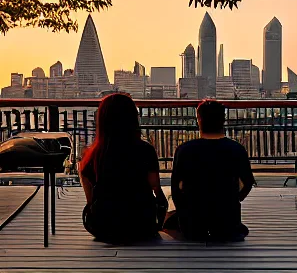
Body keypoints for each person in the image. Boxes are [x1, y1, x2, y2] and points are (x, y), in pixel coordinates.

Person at [79, 93, 168, 243]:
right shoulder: (145, 150)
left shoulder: (93, 156)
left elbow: (91, 199)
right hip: (141, 225)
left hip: (104, 226)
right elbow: (156, 188)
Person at [163, 100, 255, 241]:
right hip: (227, 222)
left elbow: (176, 189)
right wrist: (234, 199)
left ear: (199, 120)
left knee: (169, 218)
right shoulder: (237, 149)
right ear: (223, 120)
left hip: (193, 224)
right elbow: (247, 184)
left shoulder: (184, 150)